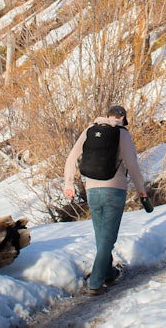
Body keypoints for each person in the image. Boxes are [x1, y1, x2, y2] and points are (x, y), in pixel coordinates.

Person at [63, 105, 147, 295]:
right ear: (123, 117)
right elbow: (131, 164)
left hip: (92, 190)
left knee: (102, 236)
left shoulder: (90, 130)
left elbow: (71, 158)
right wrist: (141, 189)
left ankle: (108, 271)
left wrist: (69, 183)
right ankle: (95, 283)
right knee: (108, 238)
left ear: (106, 115)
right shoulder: (122, 133)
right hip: (114, 190)